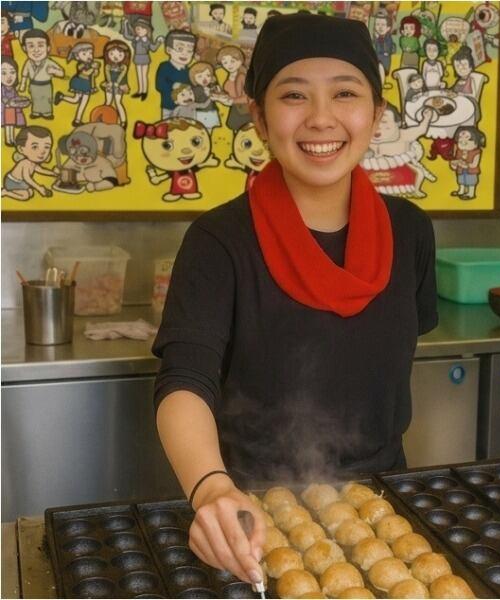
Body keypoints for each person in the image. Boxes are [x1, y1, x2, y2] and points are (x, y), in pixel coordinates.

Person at [152, 13, 438, 585]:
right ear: (259, 115)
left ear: (375, 114)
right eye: (293, 95)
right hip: (252, 513)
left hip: (386, 505)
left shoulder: (410, 232)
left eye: (346, 93)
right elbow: (184, 382)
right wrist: (211, 488)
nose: (321, 118)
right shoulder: (218, 241)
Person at [18, 29, 63, 119]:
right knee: (35, 99)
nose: (36, 50)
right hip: (33, 85)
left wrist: (54, 71)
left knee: (46, 100)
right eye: (31, 46)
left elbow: (61, 73)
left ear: (48, 48)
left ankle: (47, 113)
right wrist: (22, 84)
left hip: (46, 85)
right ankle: (36, 112)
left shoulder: (49, 62)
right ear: (24, 48)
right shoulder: (28, 62)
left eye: (41, 45)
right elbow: (24, 74)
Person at [54, 42, 99, 126]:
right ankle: (76, 119)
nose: (88, 56)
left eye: (90, 53)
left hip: (87, 84)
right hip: (79, 83)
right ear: (77, 56)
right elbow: (86, 73)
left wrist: (96, 70)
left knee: (80, 101)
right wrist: (93, 68)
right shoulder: (80, 64)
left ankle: (77, 120)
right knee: (78, 100)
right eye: (84, 54)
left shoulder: (90, 64)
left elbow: (94, 75)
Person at [156, 29, 197, 118]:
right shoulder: (164, 67)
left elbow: (194, 87)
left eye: (189, 50)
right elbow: (159, 85)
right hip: (169, 106)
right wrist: (175, 86)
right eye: (180, 49)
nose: (185, 54)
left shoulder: (190, 71)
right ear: (168, 50)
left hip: (187, 108)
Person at [121, 16, 163, 101]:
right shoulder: (135, 39)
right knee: (139, 75)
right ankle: (140, 91)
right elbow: (126, 35)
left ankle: (144, 91)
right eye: (137, 29)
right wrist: (124, 24)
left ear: (147, 30)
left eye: (142, 29)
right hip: (137, 57)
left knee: (144, 75)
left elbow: (153, 48)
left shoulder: (146, 40)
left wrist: (158, 41)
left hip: (145, 58)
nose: (139, 31)